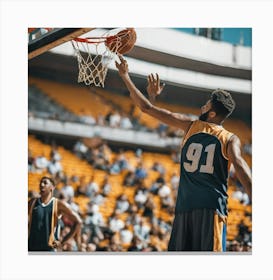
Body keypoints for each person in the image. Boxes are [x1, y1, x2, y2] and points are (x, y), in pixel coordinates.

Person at [115, 55, 252, 252]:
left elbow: (146, 108)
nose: (202, 106)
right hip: (208, 210)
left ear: (212, 114)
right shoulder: (230, 138)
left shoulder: (190, 126)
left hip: (187, 210)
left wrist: (125, 75)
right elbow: (241, 167)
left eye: (206, 105)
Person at [28, 176, 82, 251]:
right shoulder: (32, 202)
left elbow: (78, 222)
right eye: (41, 183)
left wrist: (63, 242)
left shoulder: (59, 204)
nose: (41, 184)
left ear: (52, 188)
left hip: (49, 249)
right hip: (31, 247)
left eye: (45, 183)